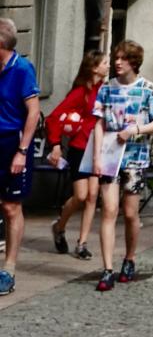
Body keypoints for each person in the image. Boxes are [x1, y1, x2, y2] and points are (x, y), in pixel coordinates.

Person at [90, 39, 153, 291]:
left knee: (130, 213)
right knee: (109, 210)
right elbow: (99, 123)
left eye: (123, 58)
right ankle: (107, 269)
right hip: (110, 157)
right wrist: (96, 157)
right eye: (116, 58)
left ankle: (130, 258)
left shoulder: (146, 89)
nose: (117, 62)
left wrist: (136, 130)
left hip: (135, 158)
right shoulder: (106, 88)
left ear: (134, 62)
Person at [45, 50, 109, 259]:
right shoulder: (81, 92)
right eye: (105, 63)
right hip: (80, 147)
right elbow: (53, 118)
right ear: (94, 68)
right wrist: (55, 144)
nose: (108, 66)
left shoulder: (105, 89)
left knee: (92, 196)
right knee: (81, 195)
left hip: (98, 148)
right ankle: (59, 226)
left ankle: (82, 244)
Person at [0, 18, 40, 296]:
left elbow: (33, 113)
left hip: (12, 143)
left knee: (11, 207)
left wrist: (22, 151)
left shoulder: (22, 69)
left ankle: (8, 270)